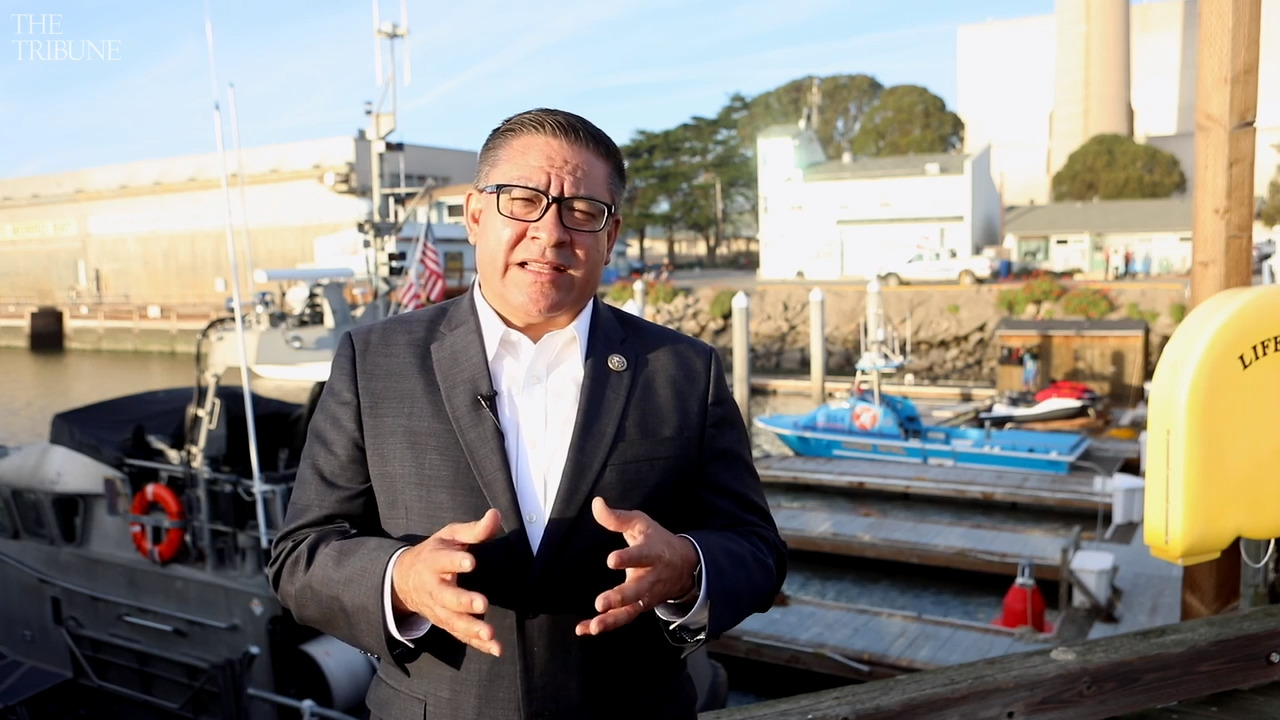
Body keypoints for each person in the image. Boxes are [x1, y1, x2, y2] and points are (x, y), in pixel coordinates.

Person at [267, 108, 786, 720]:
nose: (551, 231)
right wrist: (401, 578)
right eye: (522, 200)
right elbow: (300, 554)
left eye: (581, 211)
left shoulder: (683, 369)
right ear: (475, 214)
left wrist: (687, 569)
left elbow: (756, 549)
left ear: (610, 235)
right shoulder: (374, 361)